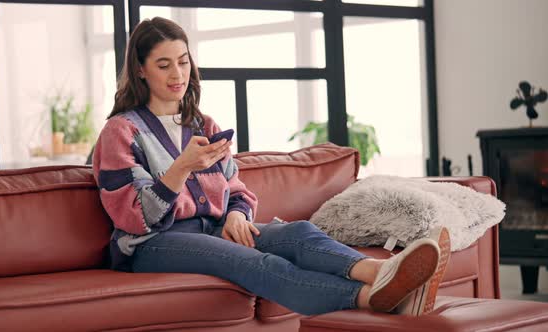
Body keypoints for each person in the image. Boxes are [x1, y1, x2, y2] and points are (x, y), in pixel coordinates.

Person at [92, 17, 451, 316]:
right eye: (163, 64)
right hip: (152, 244)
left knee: (299, 234)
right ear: (140, 70)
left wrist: (237, 215)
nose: (178, 74)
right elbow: (136, 217)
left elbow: (236, 190)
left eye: (184, 61)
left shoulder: (203, 124)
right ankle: (372, 298)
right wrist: (180, 169)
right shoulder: (122, 132)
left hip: (214, 228)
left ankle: (385, 272)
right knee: (258, 263)